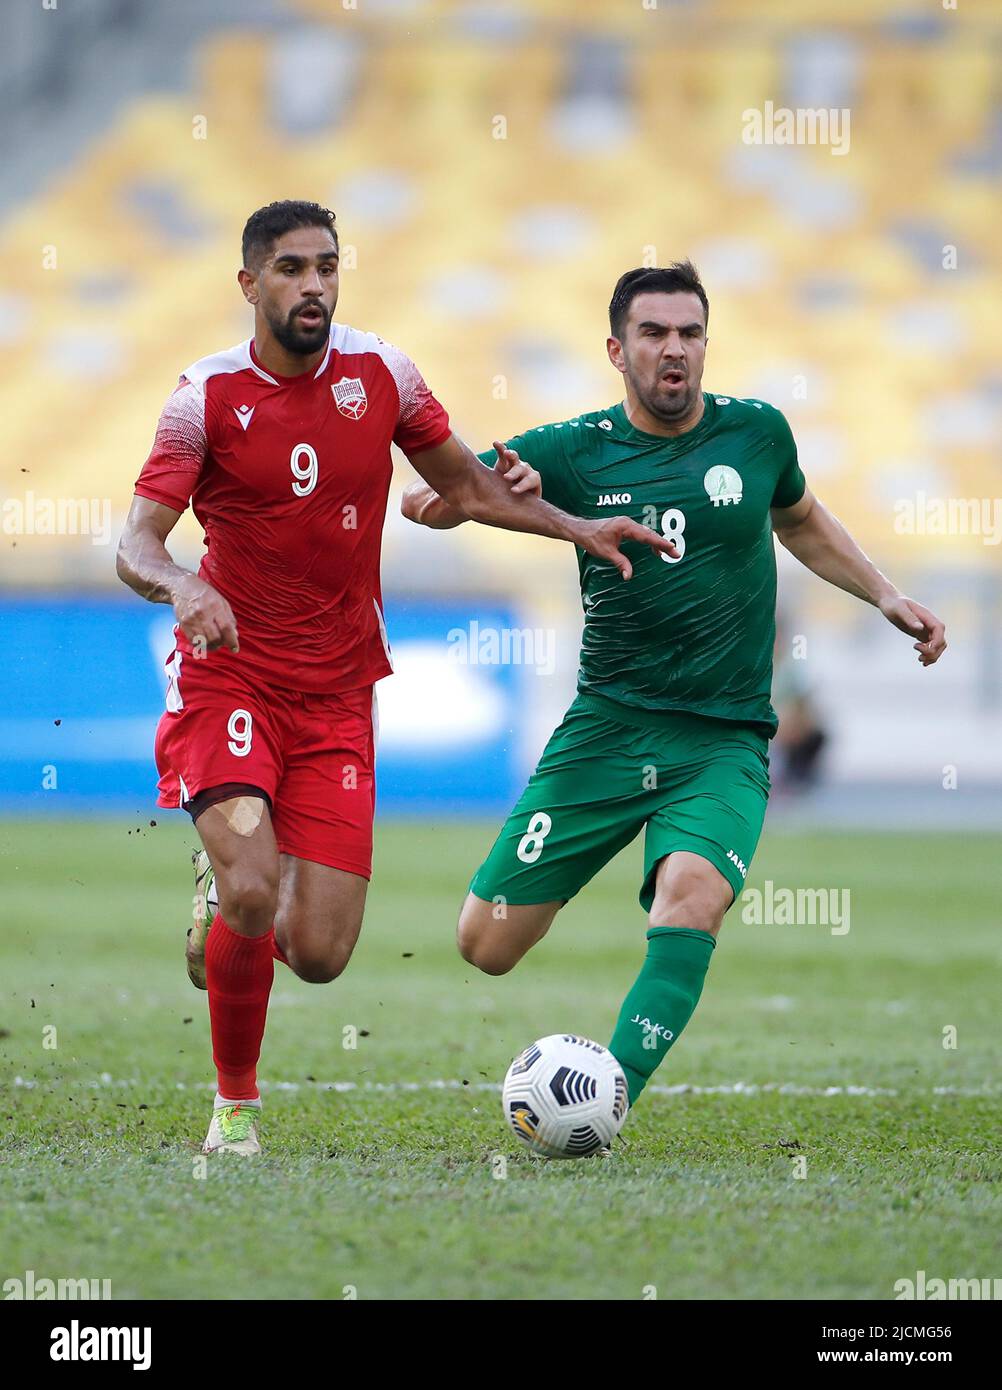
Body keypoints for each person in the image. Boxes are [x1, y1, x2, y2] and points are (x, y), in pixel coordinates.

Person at [115, 201, 673, 1156]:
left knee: (323, 955)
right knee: (255, 887)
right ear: (250, 285)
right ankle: (234, 1112)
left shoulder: (383, 374)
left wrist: (576, 527)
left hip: (338, 693)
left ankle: (225, 914)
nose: (315, 287)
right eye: (291, 269)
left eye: (328, 266)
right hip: (232, 677)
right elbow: (136, 542)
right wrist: (180, 586)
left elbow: (463, 485)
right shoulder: (201, 398)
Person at [402, 261, 947, 1112]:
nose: (675, 351)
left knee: (692, 897)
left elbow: (800, 518)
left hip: (723, 738)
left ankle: (604, 1098)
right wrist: (486, 501)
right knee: (486, 942)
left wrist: (884, 593)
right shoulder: (572, 448)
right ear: (617, 349)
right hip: (609, 728)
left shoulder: (758, 433)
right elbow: (434, 499)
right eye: (654, 334)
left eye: (690, 333)